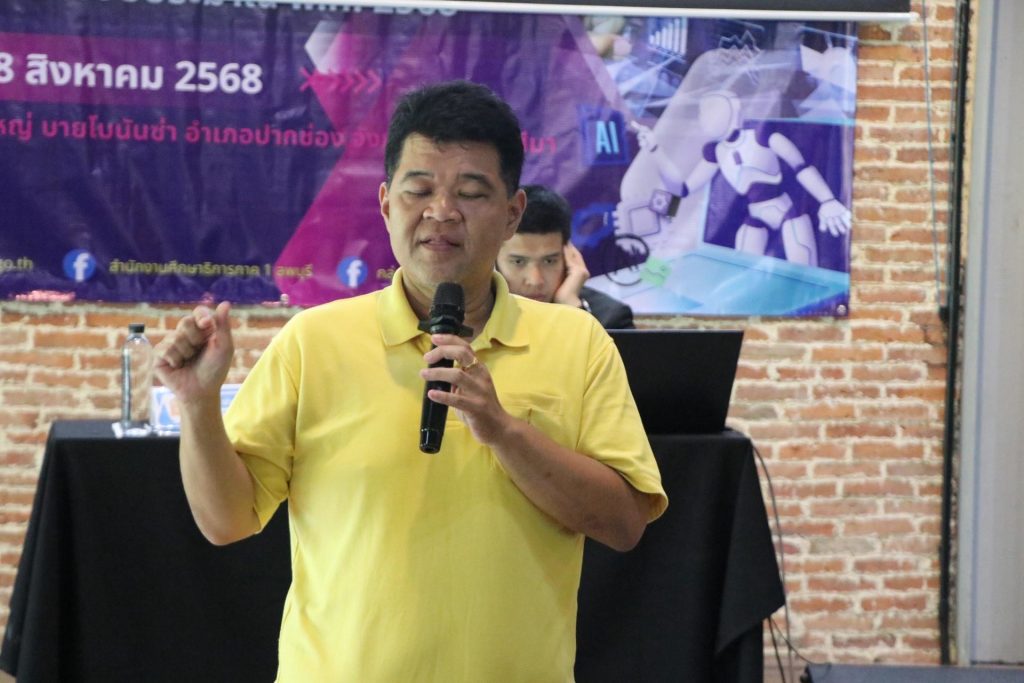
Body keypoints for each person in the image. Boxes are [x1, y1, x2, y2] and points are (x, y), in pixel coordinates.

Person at [154, 80, 666, 681]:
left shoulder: (577, 342)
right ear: (385, 203)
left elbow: (623, 525)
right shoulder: (313, 341)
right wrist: (198, 405)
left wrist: (504, 431)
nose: (441, 211)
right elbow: (226, 521)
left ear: (512, 213)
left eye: (470, 192)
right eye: (418, 190)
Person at [497, 184, 636, 329]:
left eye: (549, 261)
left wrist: (571, 308)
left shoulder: (611, 318)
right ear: (494, 260)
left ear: (569, 255)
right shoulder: (481, 314)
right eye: (518, 262)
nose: (535, 281)